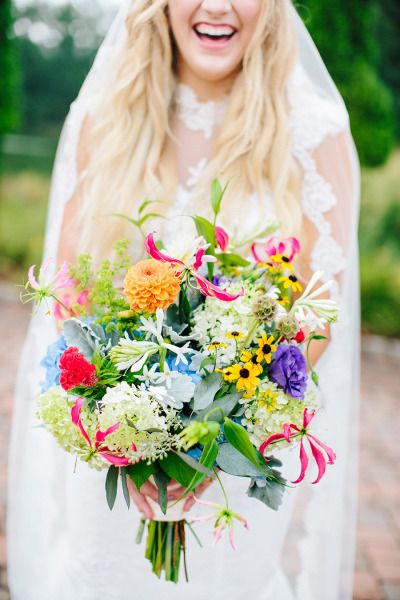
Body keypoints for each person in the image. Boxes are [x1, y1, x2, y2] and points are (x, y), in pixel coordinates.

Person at [7, 1, 360, 599]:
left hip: (234, 475)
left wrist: (216, 441)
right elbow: (68, 288)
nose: (217, 6)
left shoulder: (314, 131)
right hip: (115, 454)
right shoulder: (103, 116)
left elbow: (319, 313)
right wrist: (123, 429)